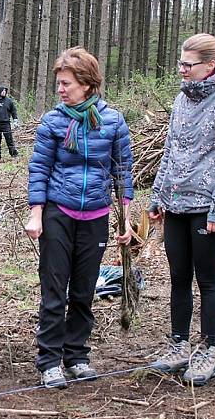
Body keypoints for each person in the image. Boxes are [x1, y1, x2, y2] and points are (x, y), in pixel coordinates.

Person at [26, 47, 134, 389]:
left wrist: (126, 219)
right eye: (58, 83)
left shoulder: (113, 121)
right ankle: (49, 361)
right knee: (55, 290)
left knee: (85, 290)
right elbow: (39, 169)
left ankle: (76, 356)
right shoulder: (53, 121)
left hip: (96, 215)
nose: (60, 89)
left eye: (66, 83)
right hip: (59, 212)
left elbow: (122, 171)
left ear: (87, 84)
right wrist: (36, 214)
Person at [147, 33, 215, 386]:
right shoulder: (180, 99)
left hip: (207, 208)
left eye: (188, 64)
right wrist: (157, 196)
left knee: (206, 279)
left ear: (211, 66)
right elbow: (170, 150)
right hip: (175, 204)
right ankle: (178, 345)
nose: (183, 70)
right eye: (181, 63)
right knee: (178, 278)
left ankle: (208, 351)